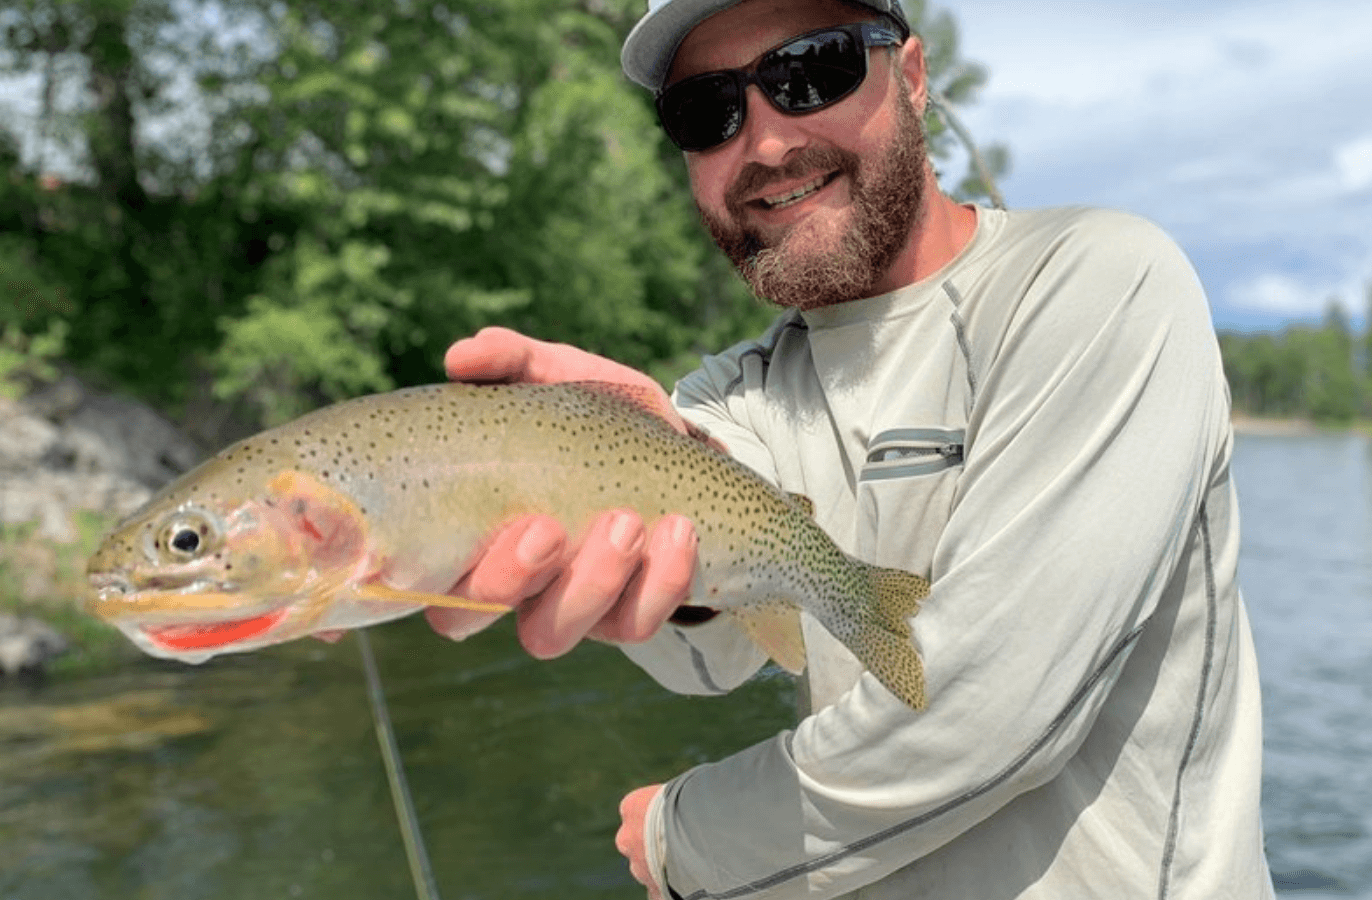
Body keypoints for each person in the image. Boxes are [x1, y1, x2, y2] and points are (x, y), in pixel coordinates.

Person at [428, 0, 1274, 897]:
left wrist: (689, 836)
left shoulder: (1095, 279)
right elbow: (712, 657)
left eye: (811, 69)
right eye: (706, 109)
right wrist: (627, 495)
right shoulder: (724, 400)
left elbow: (988, 715)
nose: (762, 142)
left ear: (911, 77)